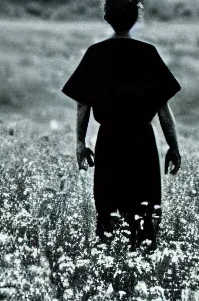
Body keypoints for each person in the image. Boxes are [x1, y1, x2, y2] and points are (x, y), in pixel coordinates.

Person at [62, 0, 182, 252]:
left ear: (107, 17)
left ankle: (110, 268)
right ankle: (144, 265)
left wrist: (80, 143)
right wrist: (173, 147)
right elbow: (163, 110)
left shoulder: (95, 54)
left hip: (110, 142)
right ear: (136, 18)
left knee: (109, 212)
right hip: (143, 142)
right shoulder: (148, 54)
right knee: (145, 212)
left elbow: (82, 105)